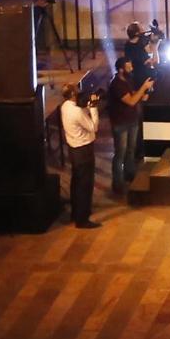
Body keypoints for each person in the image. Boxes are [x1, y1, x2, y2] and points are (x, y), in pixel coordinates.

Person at [108, 27, 155, 197]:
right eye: (128, 66)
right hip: (121, 123)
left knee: (130, 150)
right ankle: (117, 183)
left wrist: (144, 94)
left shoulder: (128, 78)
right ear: (121, 69)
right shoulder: (117, 84)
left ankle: (130, 175)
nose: (131, 67)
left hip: (132, 120)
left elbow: (136, 96)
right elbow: (131, 100)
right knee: (120, 154)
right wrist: (144, 88)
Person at [54, 80, 101, 228]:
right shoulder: (76, 111)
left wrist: (86, 107)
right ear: (73, 94)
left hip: (74, 149)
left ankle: (76, 212)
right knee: (85, 185)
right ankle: (82, 218)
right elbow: (93, 127)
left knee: (76, 182)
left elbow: (80, 116)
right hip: (84, 149)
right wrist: (93, 108)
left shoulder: (65, 107)